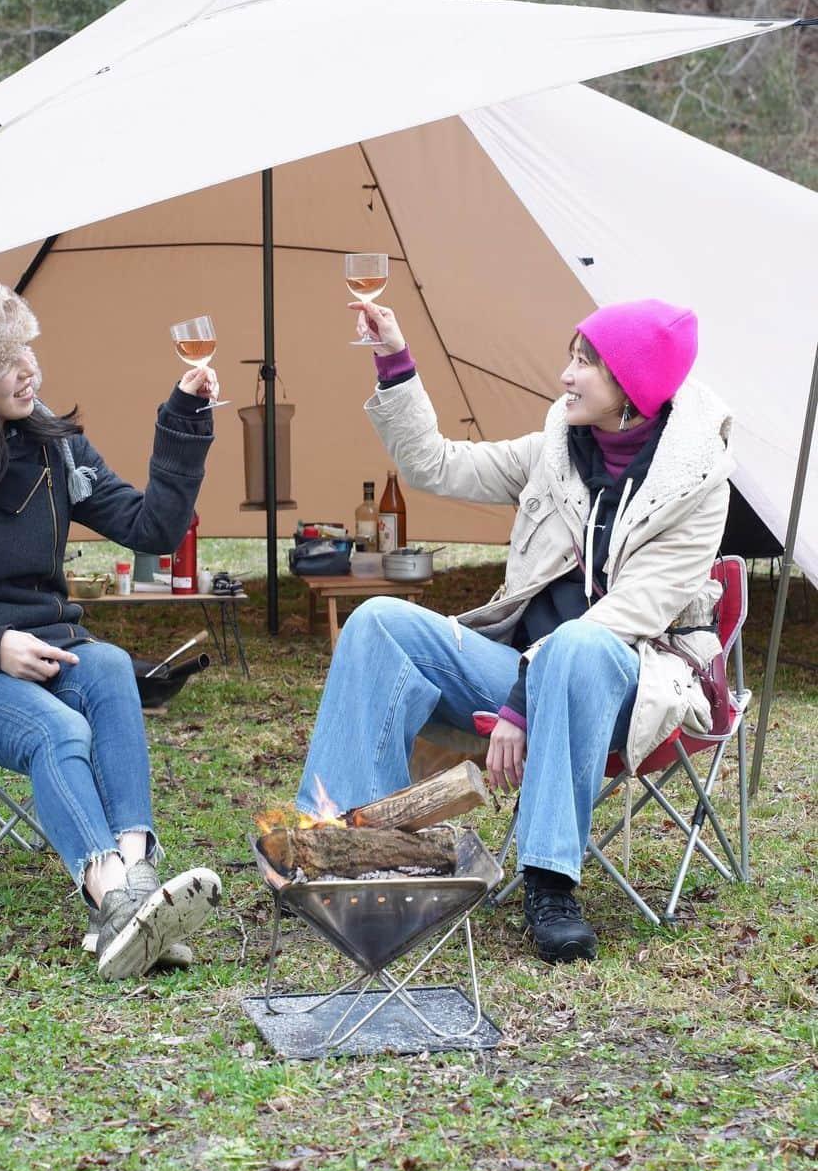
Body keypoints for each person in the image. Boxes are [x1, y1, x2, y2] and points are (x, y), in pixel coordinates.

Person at [297, 296, 732, 963]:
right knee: (379, 621)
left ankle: (551, 884)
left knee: (582, 645)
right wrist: (395, 361)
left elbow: (630, 614)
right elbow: (435, 466)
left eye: (585, 363)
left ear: (632, 388)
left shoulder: (698, 483)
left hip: (626, 685)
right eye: (572, 356)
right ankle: (343, 847)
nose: (565, 375)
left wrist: (521, 702)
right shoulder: (557, 449)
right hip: (522, 675)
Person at [0, 278, 223, 979]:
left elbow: (154, 528)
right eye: (5, 362)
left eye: (26, 349)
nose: (30, 369)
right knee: (57, 731)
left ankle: (140, 881)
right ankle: (113, 900)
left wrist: (183, 418)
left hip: (48, 644)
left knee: (111, 666)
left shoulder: (51, 447)